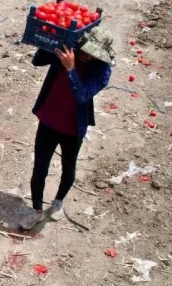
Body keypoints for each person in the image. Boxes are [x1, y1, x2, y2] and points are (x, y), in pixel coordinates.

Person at [20, 28, 115, 230]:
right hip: (49, 118)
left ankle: (58, 201)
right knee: (39, 168)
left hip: (73, 126)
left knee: (68, 167)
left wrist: (71, 68)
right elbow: (37, 61)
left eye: (93, 54)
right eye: (85, 50)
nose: (86, 56)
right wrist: (49, 44)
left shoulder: (102, 71)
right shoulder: (68, 49)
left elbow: (82, 95)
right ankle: (36, 210)